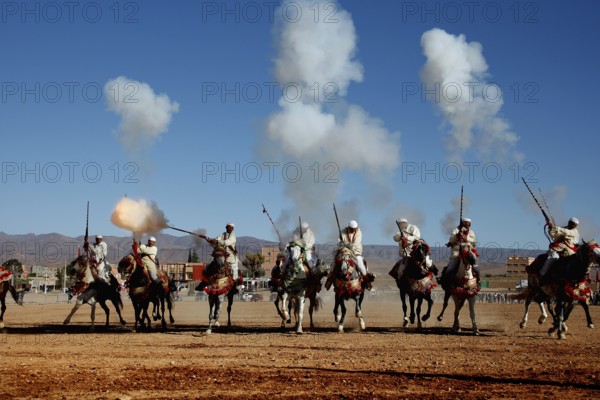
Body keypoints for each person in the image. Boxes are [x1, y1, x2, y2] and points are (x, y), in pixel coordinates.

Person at [444, 218, 479, 283]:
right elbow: (451, 240)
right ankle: (446, 284)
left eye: (469, 223)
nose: (468, 225)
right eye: (467, 223)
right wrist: (457, 236)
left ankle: (478, 281)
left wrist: (466, 238)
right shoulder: (456, 230)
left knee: (476, 269)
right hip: (457, 254)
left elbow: (474, 241)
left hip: (468, 252)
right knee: (449, 270)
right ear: (463, 223)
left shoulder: (471, 232)